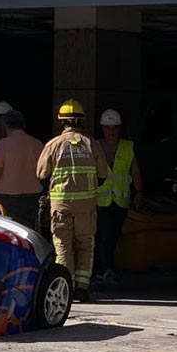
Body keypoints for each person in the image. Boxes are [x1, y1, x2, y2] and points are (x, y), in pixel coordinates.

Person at [37, 99, 109, 303]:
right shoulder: (91, 144)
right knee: (86, 245)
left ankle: (65, 289)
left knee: (63, 247)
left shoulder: (53, 145)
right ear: (81, 121)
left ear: (62, 122)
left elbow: (41, 175)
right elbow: (103, 175)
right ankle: (82, 289)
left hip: (61, 206)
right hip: (86, 207)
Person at [93, 109, 144, 285]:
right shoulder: (95, 146)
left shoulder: (127, 147)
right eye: (108, 128)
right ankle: (103, 268)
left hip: (120, 201)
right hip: (100, 200)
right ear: (102, 128)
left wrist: (139, 193)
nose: (111, 132)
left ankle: (106, 267)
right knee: (102, 235)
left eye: (114, 128)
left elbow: (135, 171)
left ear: (119, 128)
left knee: (113, 236)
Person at [0, 110, 44, 229]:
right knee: (31, 231)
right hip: (33, 197)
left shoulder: (3, 144)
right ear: (23, 125)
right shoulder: (37, 144)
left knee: (11, 232)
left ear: (5, 126)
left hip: (9, 199)